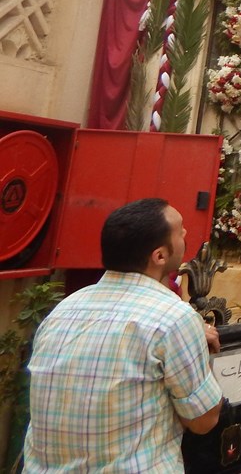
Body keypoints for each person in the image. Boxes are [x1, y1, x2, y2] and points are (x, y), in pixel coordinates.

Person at [23, 198, 224, 472]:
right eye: (180, 231)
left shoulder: (63, 309)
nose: (186, 235)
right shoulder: (173, 318)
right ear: (160, 256)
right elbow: (204, 420)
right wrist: (196, 345)